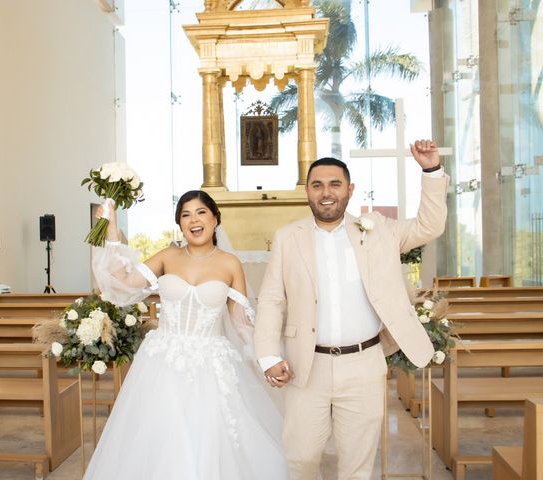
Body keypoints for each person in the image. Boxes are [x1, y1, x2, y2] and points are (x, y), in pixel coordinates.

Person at [254, 139, 449, 480]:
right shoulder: (289, 237)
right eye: (317, 185)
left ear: (349, 189)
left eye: (334, 184)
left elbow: (429, 226)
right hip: (306, 364)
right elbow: (272, 299)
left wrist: (431, 170)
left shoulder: (378, 230)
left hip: (364, 364)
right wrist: (269, 355)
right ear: (308, 192)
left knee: (357, 466)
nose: (326, 192)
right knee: (300, 458)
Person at [84, 190, 288, 480]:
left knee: (211, 437)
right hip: (162, 363)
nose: (194, 220)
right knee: (162, 435)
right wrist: (113, 230)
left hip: (211, 366)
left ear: (215, 218)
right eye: (185, 214)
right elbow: (124, 282)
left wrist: (268, 359)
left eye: (201, 212)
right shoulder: (168, 256)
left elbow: (241, 323)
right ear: (180, 224)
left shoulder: (230, 264)